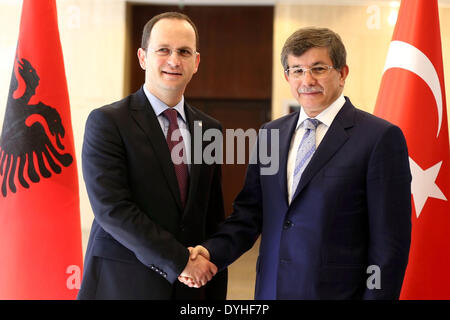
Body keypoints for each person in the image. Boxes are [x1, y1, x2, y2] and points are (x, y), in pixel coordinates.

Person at [183, 27, 412, 299]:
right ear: (286, 76)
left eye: (318, 68)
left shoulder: (379, 138)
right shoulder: (270, 134)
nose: (307, 80)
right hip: (271, 292)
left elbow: (389, 246)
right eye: (297, 70)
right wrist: (210, 252)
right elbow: (249, 214)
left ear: (342, 73)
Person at [78, 12, 227, 300]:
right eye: (163, 50)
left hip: (191, 289)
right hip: (123, 285)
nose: (174, 60)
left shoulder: (210, 129)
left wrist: (212, 280)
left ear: (195, 62)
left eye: (184, 52)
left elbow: (212, 216)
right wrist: (180, 261)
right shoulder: (108, 122)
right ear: (143, 57)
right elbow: (113, 208)